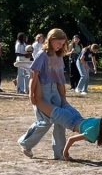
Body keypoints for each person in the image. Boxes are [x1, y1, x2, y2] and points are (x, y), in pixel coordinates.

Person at [18, 29, 74, 159]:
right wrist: (31, 94)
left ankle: (60, 153)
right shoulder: (41, 55)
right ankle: (26, 143)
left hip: (55, 89)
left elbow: (60, 78)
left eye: (62, 43)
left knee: (61, 120)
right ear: (51, 40)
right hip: (42, 90)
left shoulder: (59, 56)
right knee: (45, 121)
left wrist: (63, 97)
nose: (60, 45)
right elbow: (34, 75)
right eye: (58, 43)